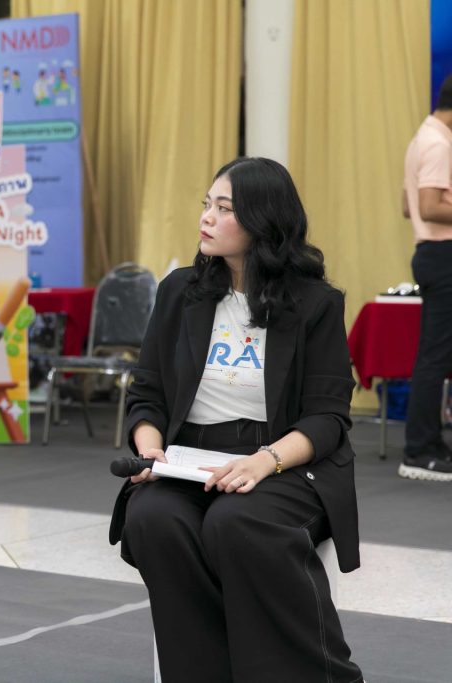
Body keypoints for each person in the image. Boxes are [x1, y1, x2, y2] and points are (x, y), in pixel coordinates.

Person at [109, 157, 363, 682]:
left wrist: (263, 462)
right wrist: (151, 448)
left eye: (224, 209)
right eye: (207, 204)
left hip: (284, 461)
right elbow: (147, 393)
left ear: (263, 222)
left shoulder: (315, 304)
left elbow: (327, 417)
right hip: (190, 459)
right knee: (154, 519)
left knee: (237, 522)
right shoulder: (179, 291)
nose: (207, 217)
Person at [400, 73, 452, 480]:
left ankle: (429, 443)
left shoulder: (423, 138)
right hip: (443, 254)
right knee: (435, 357)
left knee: (437, 355)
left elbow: (408, 206)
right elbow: (429, 206)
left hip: (433, 255)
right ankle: (419, 450)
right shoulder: (438, 144)